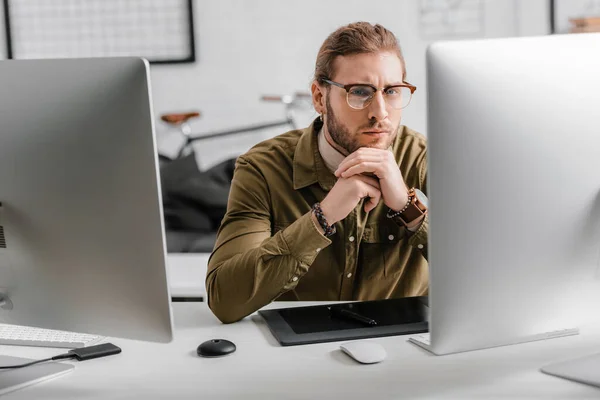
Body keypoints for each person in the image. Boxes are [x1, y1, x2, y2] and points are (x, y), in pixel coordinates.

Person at [206, 22, 428, 323]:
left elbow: (486, 273)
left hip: (402, 353)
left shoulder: (424, 157)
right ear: (319, 98)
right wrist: (321, 218)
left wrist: (408, 208)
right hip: (298, 355)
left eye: (391, 91)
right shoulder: (261, 168)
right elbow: (225, 300)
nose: (380, 112)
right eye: (359, 92)